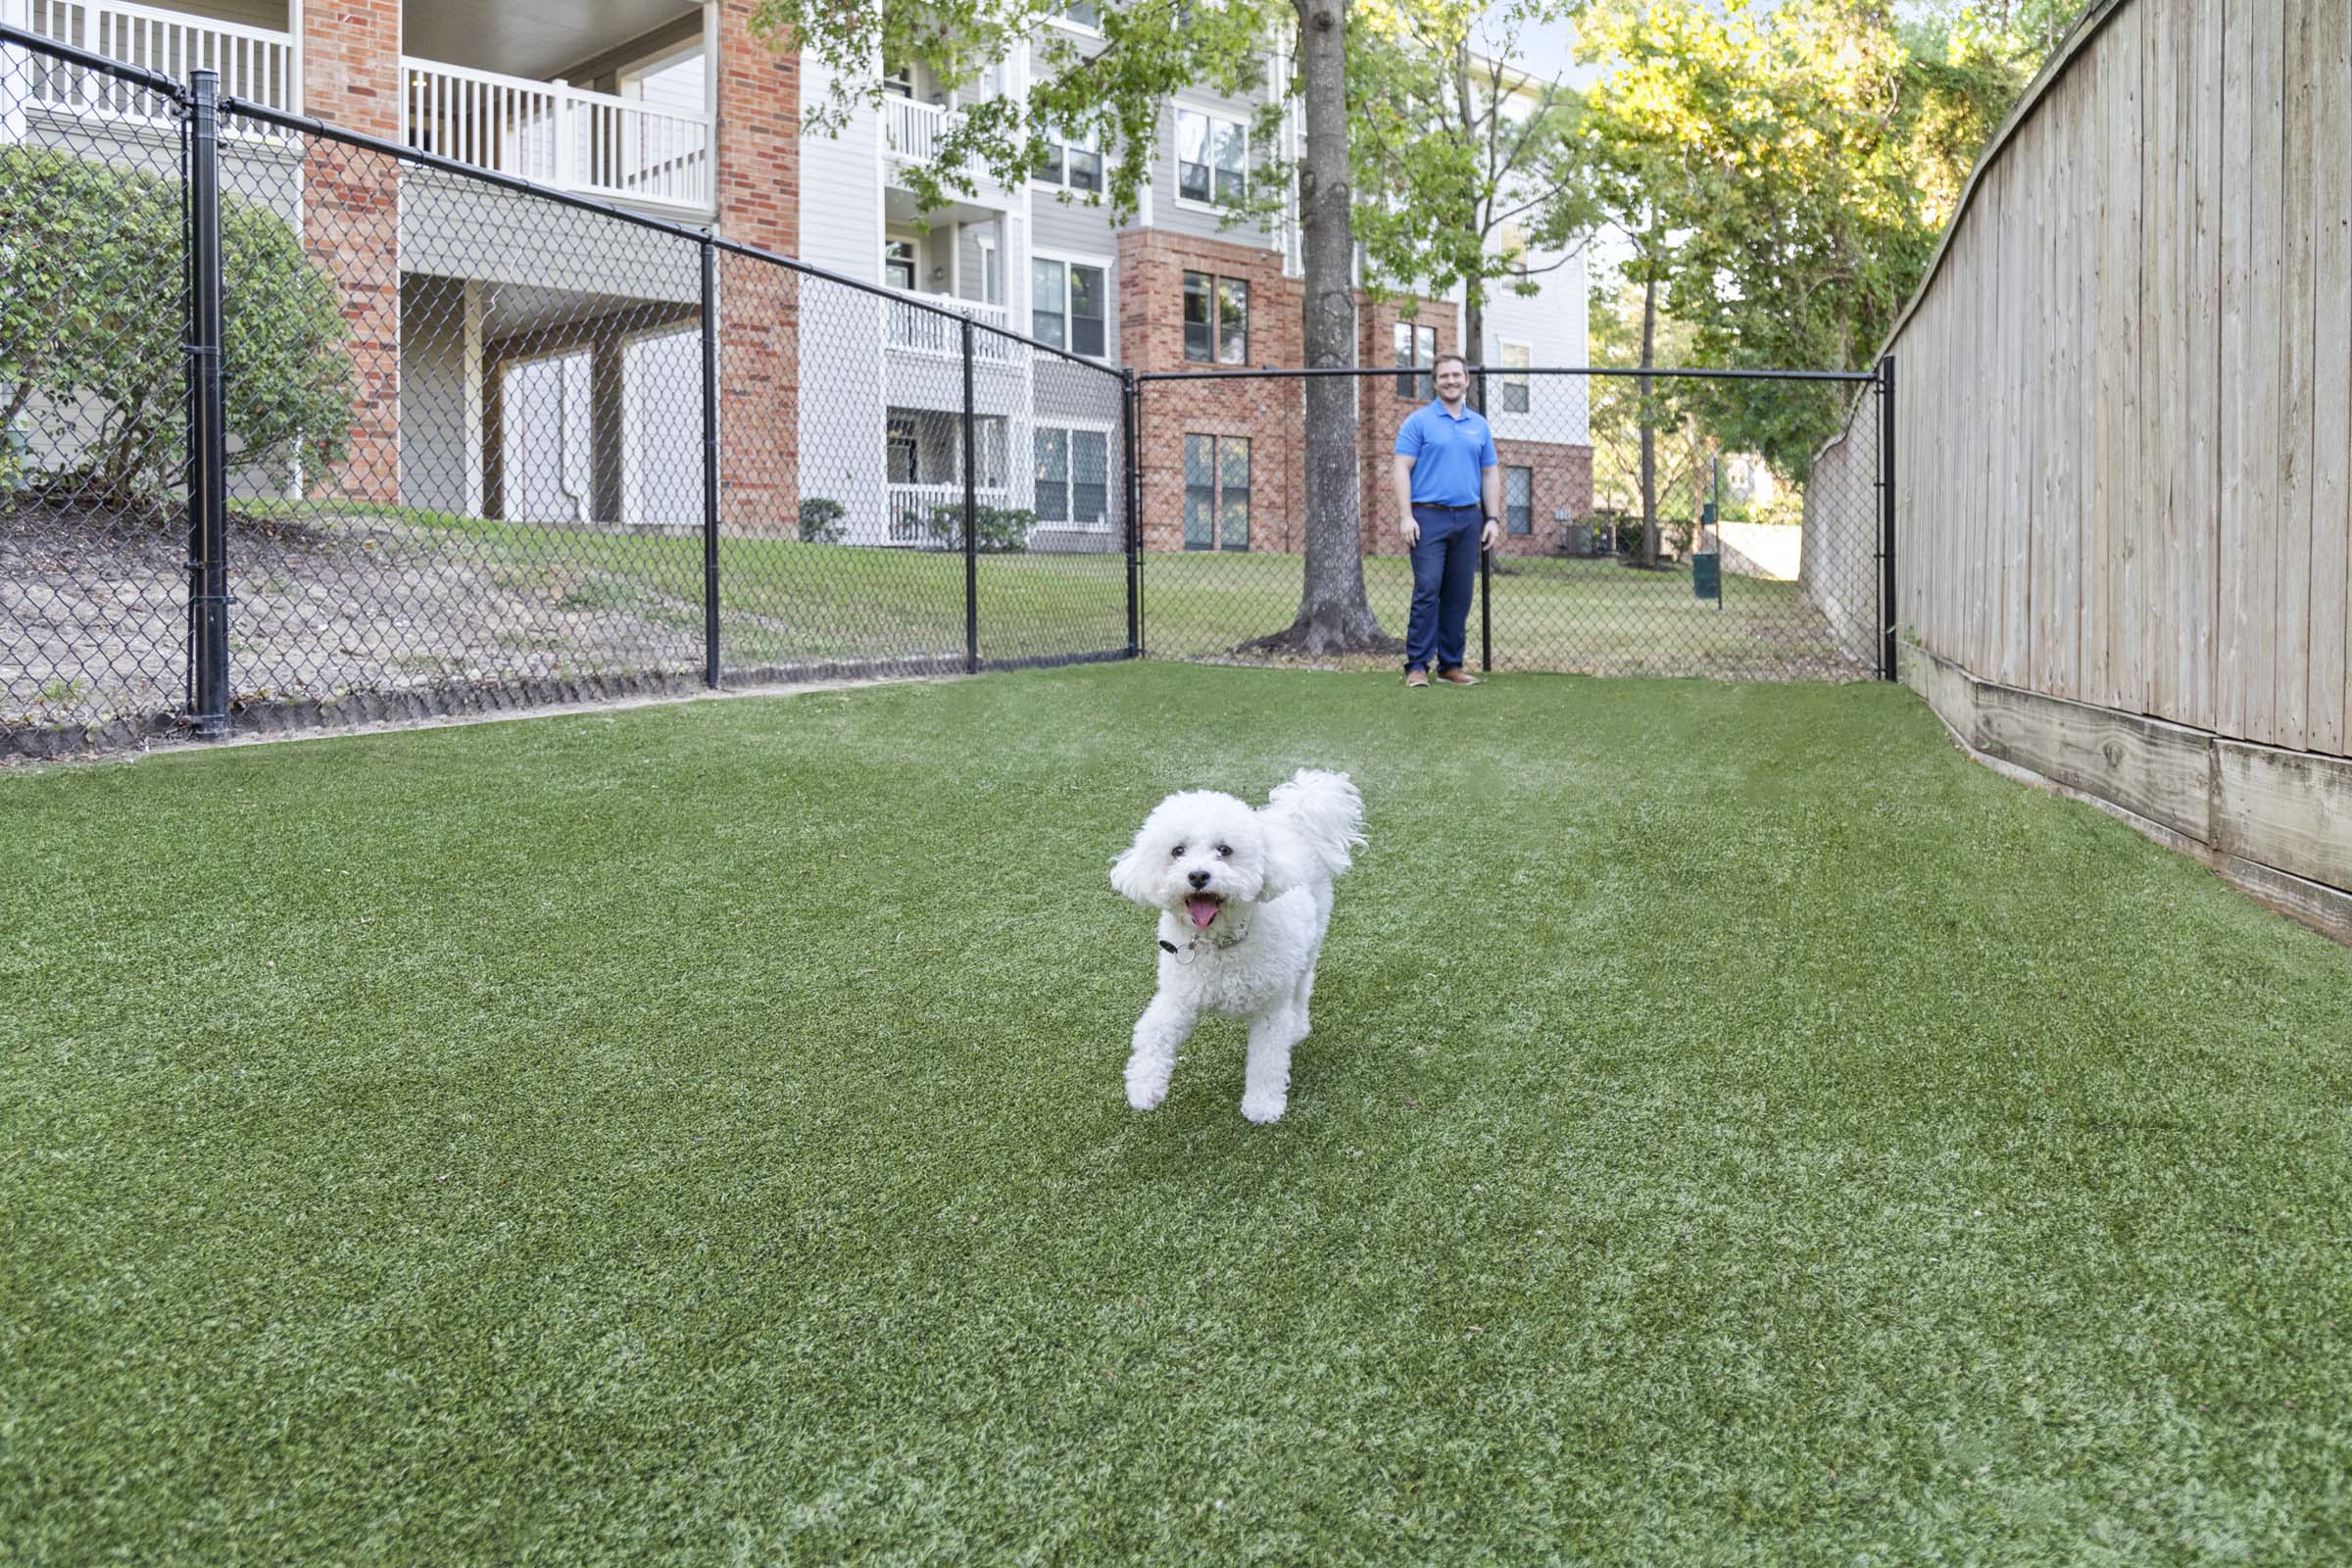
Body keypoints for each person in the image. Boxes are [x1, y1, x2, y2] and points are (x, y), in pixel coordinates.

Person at [1390, 353, 1501, 688]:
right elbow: (1400, 468)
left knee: (1459, 594)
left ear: (1467, 380)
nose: (1451, 381)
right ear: (1435, 382)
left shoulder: (1479, 425)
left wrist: (1492, 518)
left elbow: (1489, 472)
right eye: (1444, 376)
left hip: (1469, 518)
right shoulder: (1418, 422)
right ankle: (1417, 666)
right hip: (1427, 517)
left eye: (1456, 375)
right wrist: (1405, 516)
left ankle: (1451, 665)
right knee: (1428, 588)